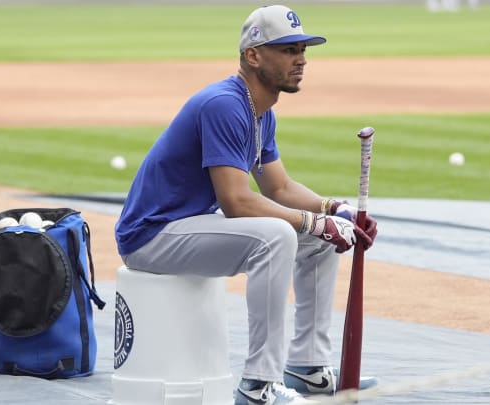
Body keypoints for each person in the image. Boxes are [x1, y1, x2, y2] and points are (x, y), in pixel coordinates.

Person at [115, 4, 379, 405]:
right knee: (276, 236)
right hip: (151, 237)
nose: (302, 59)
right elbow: (236, 201)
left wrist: (333, 210)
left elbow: (280, 187)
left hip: (187, 227)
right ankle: (258, 384)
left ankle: (307, 366)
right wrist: (312, 221)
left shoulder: (260, 113)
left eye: (303, 49)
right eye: (289, 49)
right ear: (253, 55)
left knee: (318, 239)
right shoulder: (224, 104)